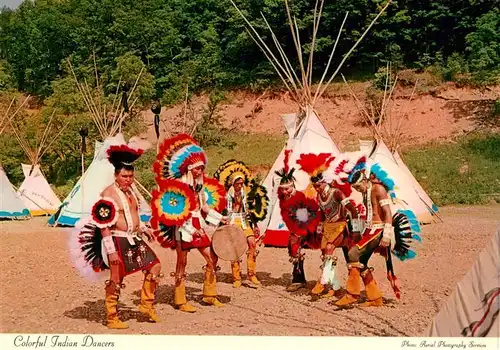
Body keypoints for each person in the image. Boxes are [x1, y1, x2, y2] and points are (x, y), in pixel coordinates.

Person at [72, 142, 162, 329]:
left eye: (130, 176)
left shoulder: (131, 192)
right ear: (116, 175)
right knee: (116, 278)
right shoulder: (108, 194)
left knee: (154, 266)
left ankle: (146, 305)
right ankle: (112, 317)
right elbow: (103, 225)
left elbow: (133, 215)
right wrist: (111, 252)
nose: (128, 179)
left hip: (134, 238)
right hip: (116, 240)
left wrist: (144, 229)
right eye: (124, 176)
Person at [152, 133, 227, 313]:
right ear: (189, 169)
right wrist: (193, 231)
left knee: (212, 257)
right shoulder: (179, 188)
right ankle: (180, 300)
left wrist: (220, 218)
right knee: (182, 263)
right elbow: (179, 215)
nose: (199, 172)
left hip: (197, 224)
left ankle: (209, 295)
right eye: (196, 169)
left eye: (201, 169)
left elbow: (205, 208)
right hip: (183, 228)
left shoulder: (198, 187)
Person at [334, 156, 422, 308]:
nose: (357, 190)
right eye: (355, 188)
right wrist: (356, 230)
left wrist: (387, 235)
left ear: (364, 180)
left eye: (357, 187)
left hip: (378, 230)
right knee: (361, 262)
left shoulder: (378, 189)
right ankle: (375, 298)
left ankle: (352, 294)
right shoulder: (366, 191)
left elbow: (387, 212)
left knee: (353, 254)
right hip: (368, 229)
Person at [296, 153, 361, 298]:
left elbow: (352, 209)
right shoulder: (319, 196)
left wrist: (356, 228)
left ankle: (322, 282)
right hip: (328, 226)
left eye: (318, 185)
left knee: (330, 249)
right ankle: (335, 287)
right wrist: (320, 225)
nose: (316, 188)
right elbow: (323, 212)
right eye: (314, 186)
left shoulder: (336, 193)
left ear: (325, 182)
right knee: (325, 254)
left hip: (340, 225)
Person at [214, 159, 269, 288]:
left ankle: (251, 273)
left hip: (244, 221)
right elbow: (225, 212)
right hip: (232, 221)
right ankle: (236, 277)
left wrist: (254, 225)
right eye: (237, 183)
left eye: (241, 183)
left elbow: (251, 211)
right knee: (235, 248)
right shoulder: (228, 196)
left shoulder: (245, 194)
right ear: (233, 184)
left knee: (252, 243)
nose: (240, 185)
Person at [275, 150, 322, 292]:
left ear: (292, 187)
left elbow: (307, 213)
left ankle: (325, 281)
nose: (285, 192)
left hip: (307, 223)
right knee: (293, 248)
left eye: (287, 189)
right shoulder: (282, 197)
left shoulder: (299, 196)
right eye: (282, 189)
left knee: (295, 245)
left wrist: (302, 229)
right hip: (295, 225)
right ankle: (299, 278)